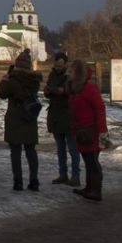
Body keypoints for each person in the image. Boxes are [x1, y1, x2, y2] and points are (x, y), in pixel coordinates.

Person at [0, 49, 43, 190]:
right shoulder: (34, 81)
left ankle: (18, 181)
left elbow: (2, 94)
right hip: (29, 117)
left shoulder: (12, 80)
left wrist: (4, 80)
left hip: (15, 117)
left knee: (16, 151)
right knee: (31, 151)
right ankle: (34, 180)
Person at [68, 59, 109, 202]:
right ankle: (89, 188)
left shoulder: (89, 89)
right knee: (88, 160)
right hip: (81, 132)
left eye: (71, 72)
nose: (68, 74)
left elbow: (100, 108)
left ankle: (96, 191)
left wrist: (102, 131)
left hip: (92, 132)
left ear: (78, 73)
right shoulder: (76, 89)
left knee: (92, 161)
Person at [43, 51, 81, 186]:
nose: (58, 67)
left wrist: (55, 90)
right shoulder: (53, 74)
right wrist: (49, 90)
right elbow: (51, 91)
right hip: (55, 116)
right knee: (60, 149)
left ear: (65, 64)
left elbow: (66, 91)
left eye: (60, 65)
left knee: (72, 148)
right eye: (56, 65)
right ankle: (63, 174)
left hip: (68, 116)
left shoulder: (69, 76)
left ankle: (75, 176)